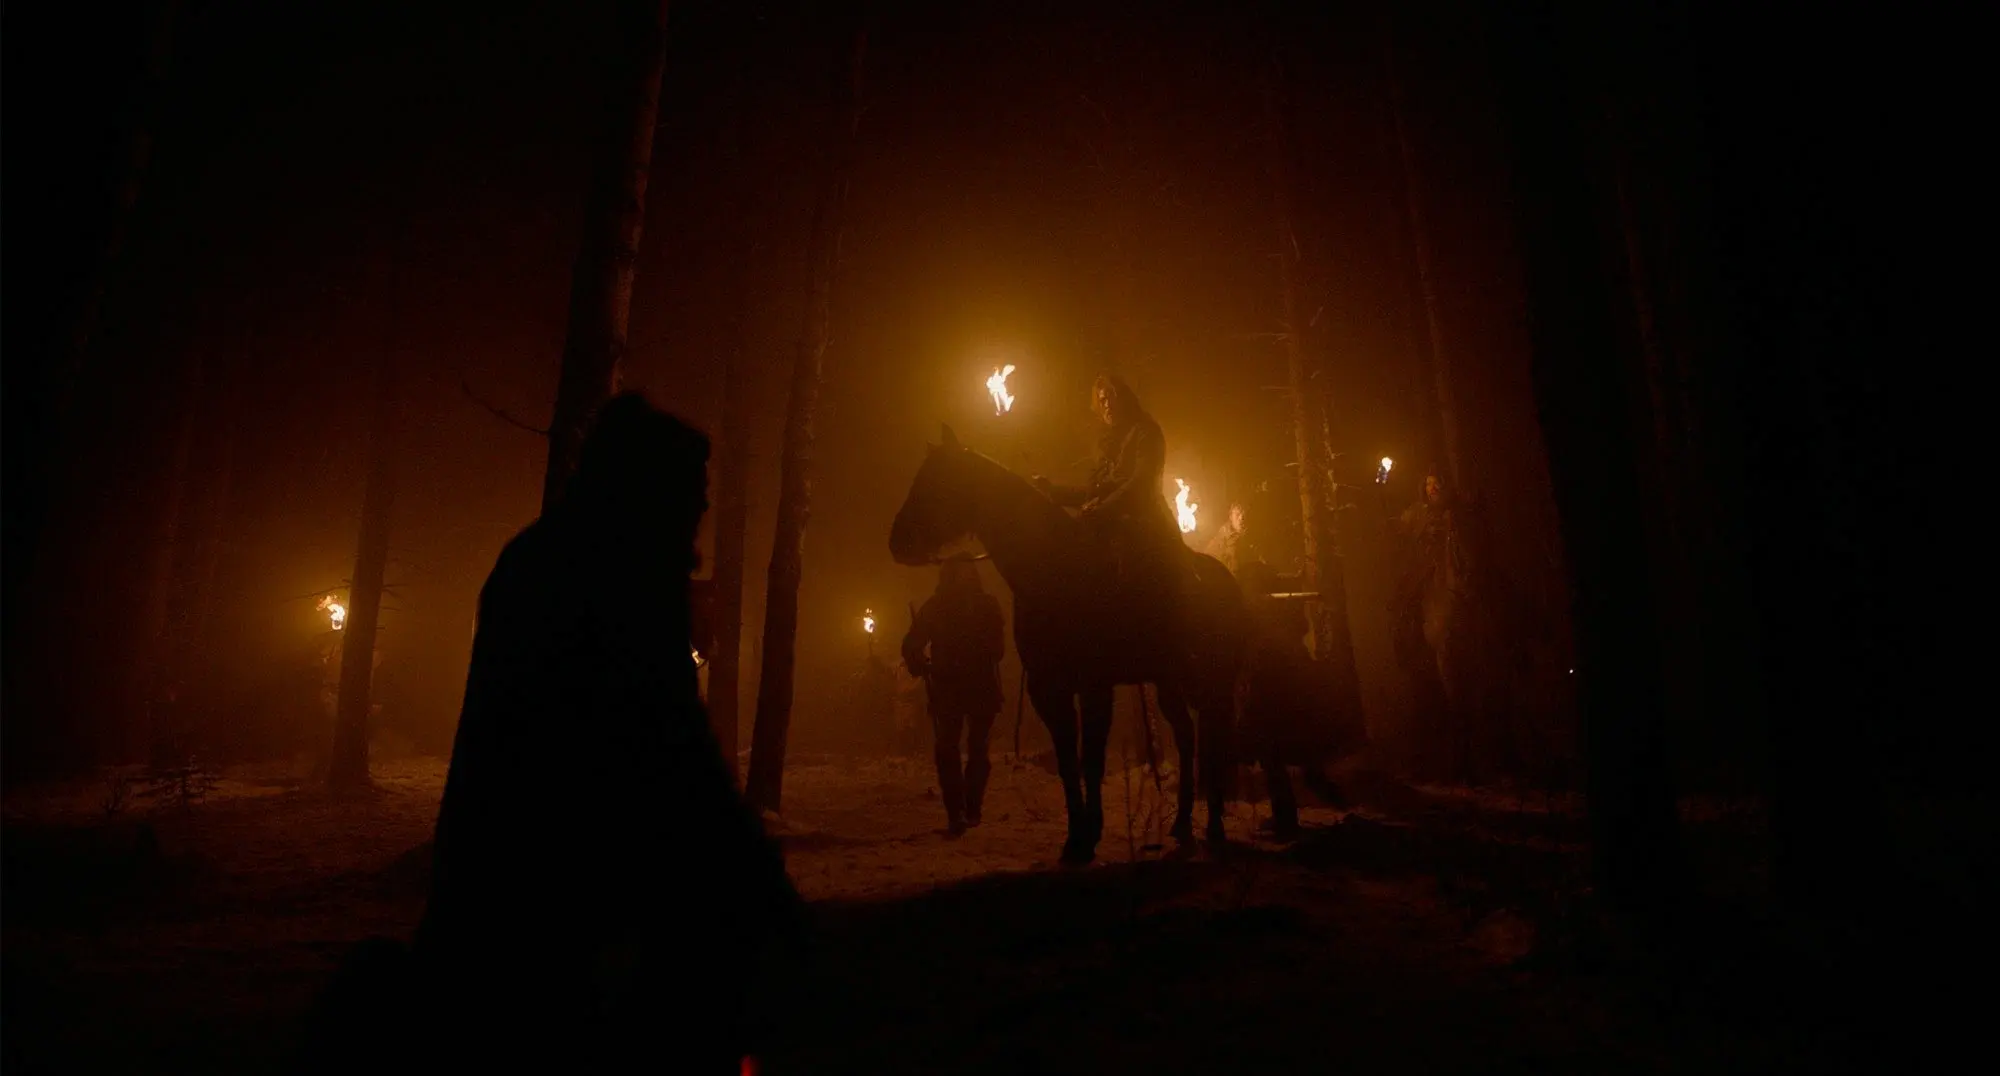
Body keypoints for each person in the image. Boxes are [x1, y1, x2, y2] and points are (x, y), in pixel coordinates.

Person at [413, 392, 800, 1072]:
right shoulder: (619, 578)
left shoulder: (538, 559)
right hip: (559, 911)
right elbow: (670, 746)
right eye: (692, 488)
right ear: (650, 487)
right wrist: (764, 892)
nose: (703, 505)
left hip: (502, 899)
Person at [1033, 375, 1190, 630]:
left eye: (1111, 398)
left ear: (1124, 398)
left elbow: (1140, 485)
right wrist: (1054, 492)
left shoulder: (1146, 432)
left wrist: (1100, 512)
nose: (1106, 405)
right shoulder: (1110, 442)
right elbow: (1097, 491)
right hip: (1110, 524)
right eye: (1102, 400)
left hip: (1145, 524)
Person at [901, 558, 1006, 834]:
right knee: (947, 748)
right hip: (948, 685)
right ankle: (956, 810)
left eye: (968, 571)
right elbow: (913, 642)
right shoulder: (936, 607)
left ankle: (972, 807)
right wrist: (918, 661)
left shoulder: (986, 605)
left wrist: (984, 648)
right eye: (960, 572)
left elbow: (998, 647)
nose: (965, 576)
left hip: (980, 684)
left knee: (978, 748)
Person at [1204, 502, 1247, 574]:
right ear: (1230, 517)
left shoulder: (1251, 537)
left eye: (1243, 514)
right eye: (1237, 514)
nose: (1241, 518)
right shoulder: (1220, 540)